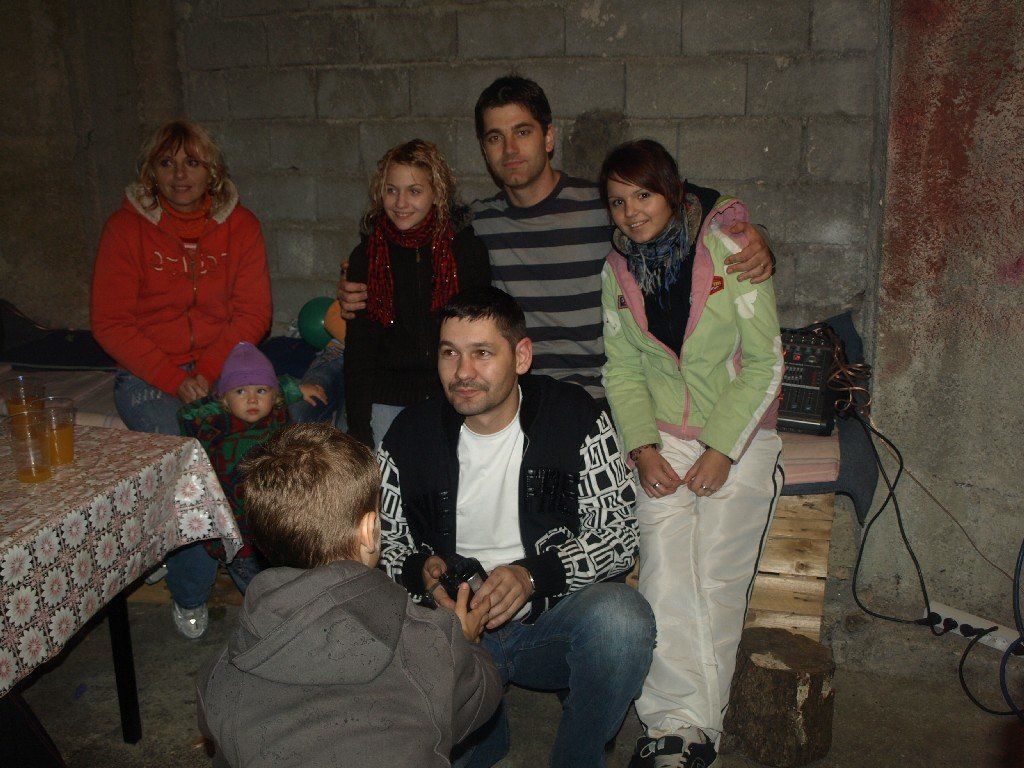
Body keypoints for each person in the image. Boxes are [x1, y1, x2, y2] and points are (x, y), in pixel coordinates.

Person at [338, 76, 773, 402]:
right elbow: (407, 236)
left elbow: (678, 205)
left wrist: (752, 235)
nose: (510, 149)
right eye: (495, 137)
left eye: (522, 132)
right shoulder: (477, 224)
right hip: (523, 403)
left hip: (607, 398)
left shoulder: (604, 207)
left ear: (548, 137)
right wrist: (359, 281)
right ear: (484, 149)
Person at [378, 286, 654, 768]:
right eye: (450, 353)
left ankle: (576, 758)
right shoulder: (409, 435)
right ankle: (485, 729)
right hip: (451, 630)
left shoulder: (574, 417)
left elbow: (619, 533)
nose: (463, 372)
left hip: (549, 622)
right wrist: (420, 571)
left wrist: (532, 576)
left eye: (482, 353)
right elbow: (383, 542)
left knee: (622, 620)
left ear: (521, 356)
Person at [599, 140, 785, 768]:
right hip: (663, 438)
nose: (631, 212)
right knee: (663, 576)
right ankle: (677, 729)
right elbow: (621, 369)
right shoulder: (616, 270)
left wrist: (723, 449)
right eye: (617, 202)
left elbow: (765, 363)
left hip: (741, 432)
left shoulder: (732, 249)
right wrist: (642, 447)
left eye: (643, 194)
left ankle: (688, 731)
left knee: (715, 579)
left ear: (673, 192)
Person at [197, 423, 502, 768]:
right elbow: (482, 698)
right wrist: (465, 643)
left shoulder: (225, 667)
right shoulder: (431, 643)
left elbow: (214, 726)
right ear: (369, 531)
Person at [90, 120, 271, 638]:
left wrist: (211, 372)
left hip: (224, 369)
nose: (180, 174)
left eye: (192, 162)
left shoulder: (241, 226)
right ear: (151, 172)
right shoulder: (125, 229)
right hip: (149, 375)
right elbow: (110, 321)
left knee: (248, 451)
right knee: (190, 459)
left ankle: (255, 579)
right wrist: (175, 378)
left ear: (212, 171)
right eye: (167, 163)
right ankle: (200, 584)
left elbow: (253, 312)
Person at [174, 342, 326, 638]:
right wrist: (217, 399)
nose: (252, 399)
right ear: (224, 398)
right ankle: (199, 606)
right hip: (232, 529)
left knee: (280, 584)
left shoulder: (280, 421)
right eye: (240, 391)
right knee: (237, 584)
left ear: (275, 397)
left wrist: (289, 389)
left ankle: (283, 622)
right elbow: (187, 414)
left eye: (261, 390)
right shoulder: (215, 427)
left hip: (273, 527)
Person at [345, 139, 491, 446]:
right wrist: (359, 427)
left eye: (414, 191)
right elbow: (358, 349)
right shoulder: (367, 255)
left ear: (436, 193)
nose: (401, 203)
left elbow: (480, 336)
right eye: (391, 190)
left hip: (450, 399)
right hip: (384, 399)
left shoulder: (465, 250)